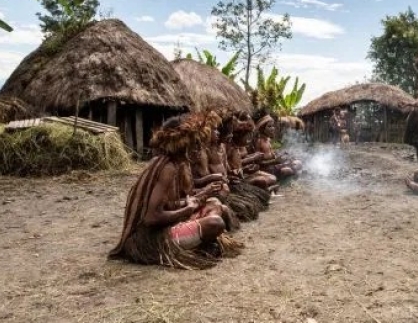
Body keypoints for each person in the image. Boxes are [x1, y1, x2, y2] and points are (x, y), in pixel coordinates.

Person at [109, 115, 241, 269]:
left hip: (161, 228)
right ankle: (200, 245)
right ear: (183, 144)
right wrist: (187, 209)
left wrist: (189, 201)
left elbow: (166, 205)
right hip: (150, 239)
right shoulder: (167, 168)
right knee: (215, 223)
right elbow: (151, 218)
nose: (199, 149)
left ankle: (201, 243)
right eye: (195, 144)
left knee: (215, 205)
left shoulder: (171, 164)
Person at [255, 113, 302, 179]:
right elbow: (258, 163)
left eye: (273, 126)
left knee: (298, 163)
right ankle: (293, 173)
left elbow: (271, 154)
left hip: (274, 165)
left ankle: (294, 172)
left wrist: (281, 155)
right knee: (288, 170)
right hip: (267, 170)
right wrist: (274, 161)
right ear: (262, 129)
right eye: (269, 126)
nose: (273, 128)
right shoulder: (259, 142)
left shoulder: (268, 140)